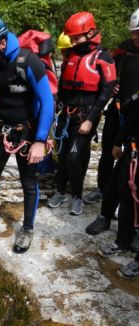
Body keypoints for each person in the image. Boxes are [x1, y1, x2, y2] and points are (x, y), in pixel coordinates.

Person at [0, 16, 54, 253]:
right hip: (2, 129)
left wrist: (39, 140)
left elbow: (47, 102)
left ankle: (27, 229)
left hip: (27, 132)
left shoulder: (29, 62)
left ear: (2, 44)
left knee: (28, 182)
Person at [47, 12, 116, 216]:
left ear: (91, 32)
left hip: (86, 115)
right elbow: (63, 85)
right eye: (72, 38)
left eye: (77, 38)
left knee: (76, 156)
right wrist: (57, 107)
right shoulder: (72, 54)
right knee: (61, 154)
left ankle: (77, 195)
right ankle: (60, 190)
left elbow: (105, 92)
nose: (73, 41)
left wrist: (91, 119)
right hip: (66, 113)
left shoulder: (103, 57)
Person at [86, 8, 139, 235]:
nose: (134, 37)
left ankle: (122, 219)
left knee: (125, 171)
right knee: (110, 156)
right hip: (120, 111)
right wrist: (113, 83)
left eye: (138, 33)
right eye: (133, 32)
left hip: (135, 119)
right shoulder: (126, 48)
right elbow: (110, 65)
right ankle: (105, 209)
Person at [97, 8, 139, 279]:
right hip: (134, 136)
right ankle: (123, 239)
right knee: (124, 187)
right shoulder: (129, 54)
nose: (134, 39)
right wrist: (122, 140)